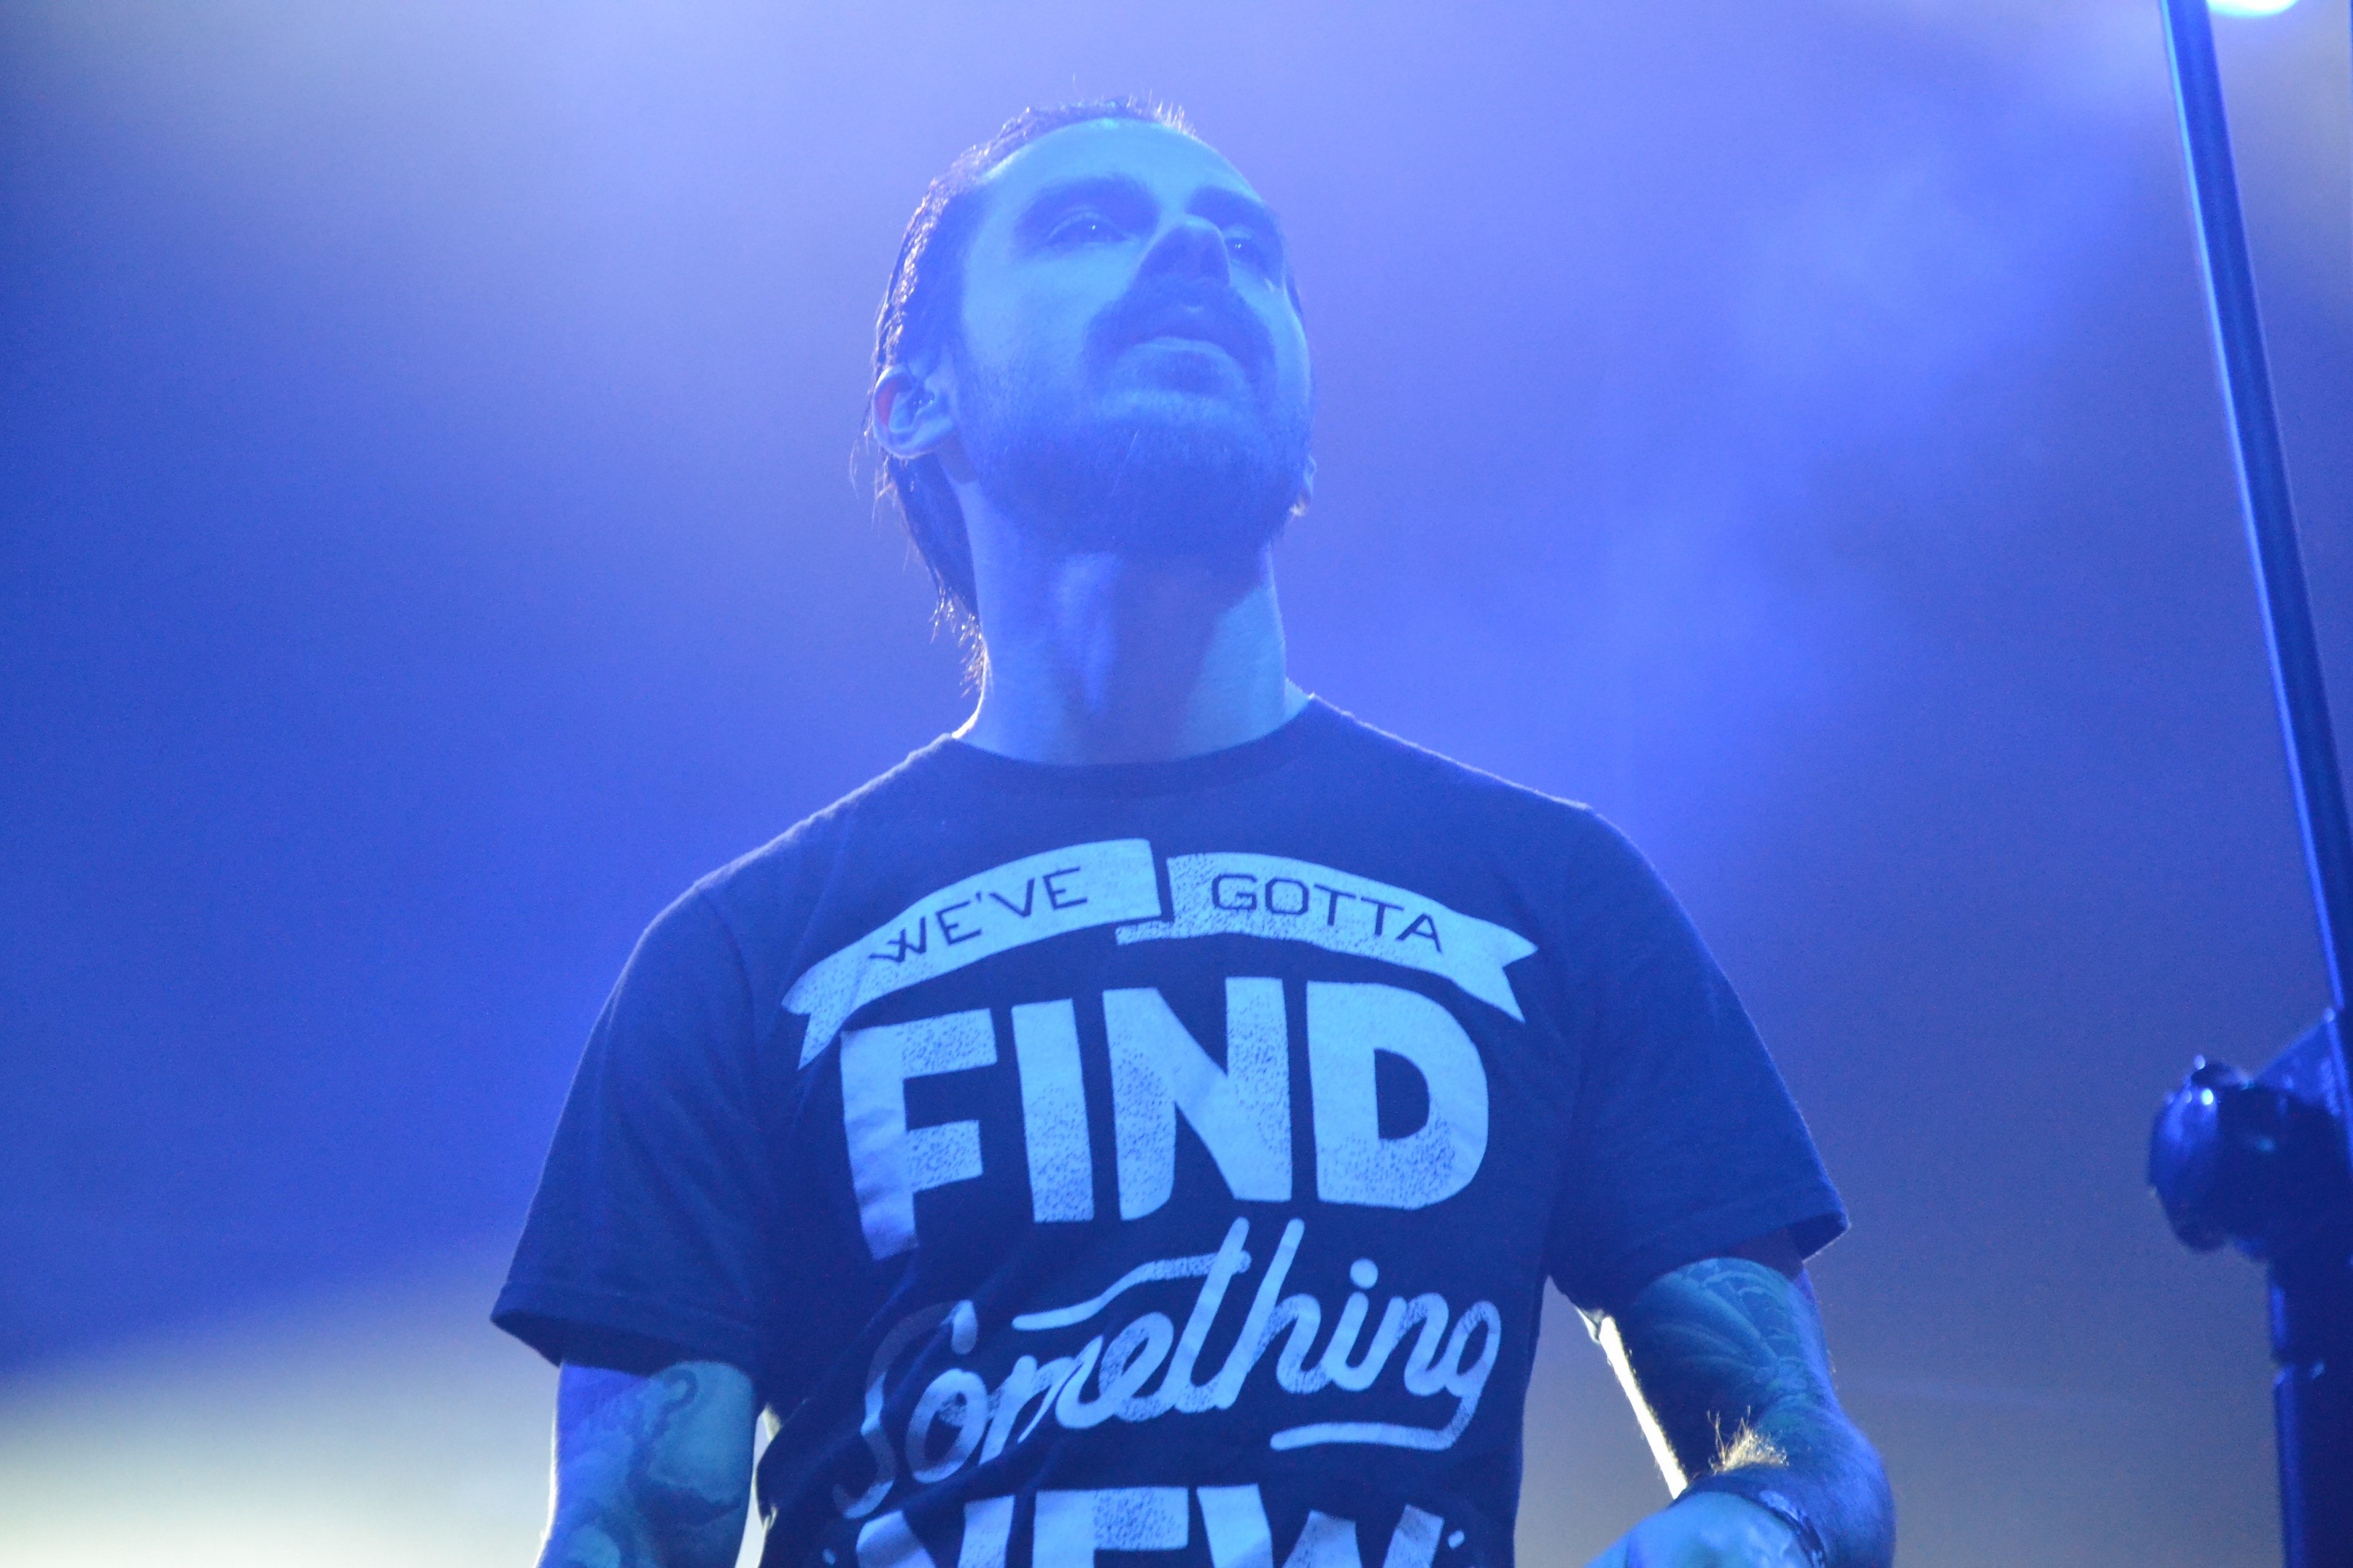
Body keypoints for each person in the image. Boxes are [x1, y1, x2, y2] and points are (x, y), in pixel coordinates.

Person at [494, 99, 1894, 1568]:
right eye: (1089, 225)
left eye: (1246, 246)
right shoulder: (738, 961)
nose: (1192, 253)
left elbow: (1800, 1454)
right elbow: (636, 1523)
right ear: (915, 403)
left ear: (1299, 419)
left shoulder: (1555, 896)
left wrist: (1754, 1528)